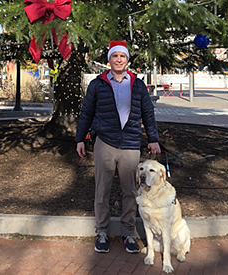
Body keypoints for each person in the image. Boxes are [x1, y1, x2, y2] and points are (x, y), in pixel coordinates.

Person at [75, 40, 161, 253]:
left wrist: (153, 138)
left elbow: (148, 113)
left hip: (131, 144)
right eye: (115, 56)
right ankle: (102, 231)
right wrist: (80, 139)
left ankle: (127, 233)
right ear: (109, 59)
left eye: (122, 56)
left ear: (127, 60)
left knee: (130, 192)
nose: (119, 60)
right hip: (105, 142)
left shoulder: (137, 84)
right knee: (102, 190)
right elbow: (86, 112)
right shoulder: (98, 84)